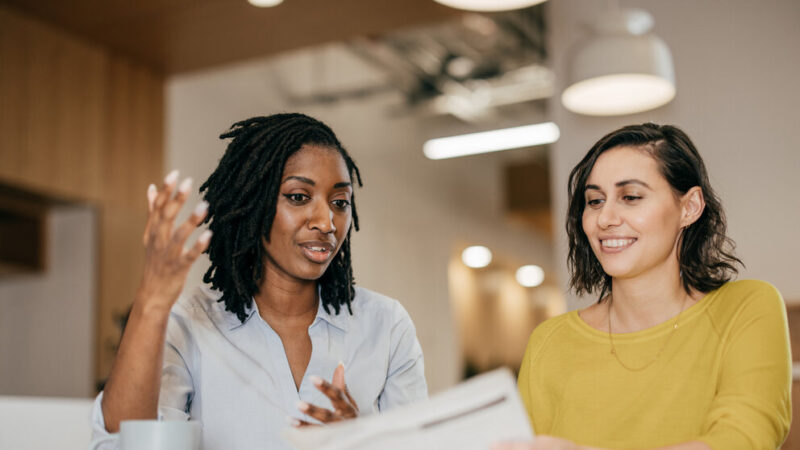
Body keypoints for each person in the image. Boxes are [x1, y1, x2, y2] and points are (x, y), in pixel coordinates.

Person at [90, 113, 428, 449]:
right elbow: (119, 445)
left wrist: (360, 441)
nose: (327, 222)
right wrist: (151, 304)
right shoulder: (190, 324)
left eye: (340, 202)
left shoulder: (386, 326)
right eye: (299, 197)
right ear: (252, 203)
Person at [495, 123, 791, 449]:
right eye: (595, 201)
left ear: (690, 207)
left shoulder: (746, 308)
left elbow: (741, 439)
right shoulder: (549, 343)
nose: (605, 218)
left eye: (631, 197)